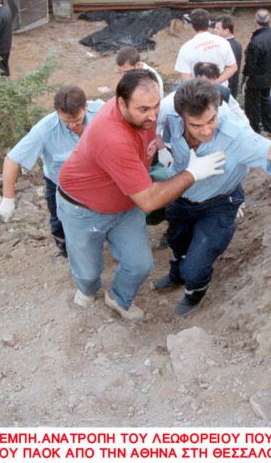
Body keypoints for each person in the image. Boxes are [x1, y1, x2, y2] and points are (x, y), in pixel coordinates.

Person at [155, 79, 271, 316]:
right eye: (196, 125)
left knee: (196, 266)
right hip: (181, 197)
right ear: (182, 116)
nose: (206, 130)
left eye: (211, 120)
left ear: (217, 109)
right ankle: (176, 275)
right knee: (177, 241)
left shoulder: (235, 135)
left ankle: (194, 291)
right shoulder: (171, 118)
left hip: (217, 204)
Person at [56, 69, 227, 321]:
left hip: (125, 204)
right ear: (121, 103)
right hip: (83, 208)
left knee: (139, 265)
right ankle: (87, 288)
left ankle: (118, 297)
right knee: (89, 271)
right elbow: (148, 200)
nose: (152, 115)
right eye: (143, 109)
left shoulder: (144, 115)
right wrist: (192, 173)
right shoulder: (112, 136)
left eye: (156, 106)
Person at [0, 86, 105, 257]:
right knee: (59, 224)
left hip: (98, 179)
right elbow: (13, 159)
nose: (72, 126)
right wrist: (7, 199)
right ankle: (67, 253)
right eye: (66, 122)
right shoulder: (44, 130)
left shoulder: (101, 112)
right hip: (61, 186)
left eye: (76, 120)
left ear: (85, 107)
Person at [242, 9, 271, 135]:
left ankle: (254, 130)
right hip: (270, 75)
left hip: (256, 80)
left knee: (252, 106)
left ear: (256, 22)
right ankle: (268, 127)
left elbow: (250, 64)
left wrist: (244, 78)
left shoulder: (256, 42)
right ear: (270, 21)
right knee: (266, 100)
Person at [174, 8, 237, 85]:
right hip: (219, 91)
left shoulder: (186, 48)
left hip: (197, 92)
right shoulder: (223, 42)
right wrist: (216, 82)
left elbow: (185, 79)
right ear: (208, 23)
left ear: (192, 26)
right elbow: (232, 67)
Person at [213, 14, 243, 97]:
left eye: (217, 28)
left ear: (226, 30)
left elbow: (231, 70)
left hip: (227, 87)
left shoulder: (228, 45)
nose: (215, 30)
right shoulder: (236, 43)